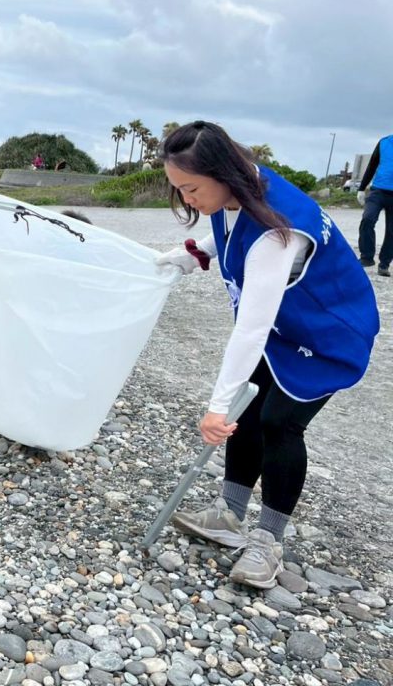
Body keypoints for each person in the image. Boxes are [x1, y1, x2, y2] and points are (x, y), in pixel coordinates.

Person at [155, 121, 379, 589]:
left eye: (191, 188)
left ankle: (267, 541)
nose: (187, 199)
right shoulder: (237, 187)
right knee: (249, 410)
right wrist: (193, 254)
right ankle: (230, 514)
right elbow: (228, 230)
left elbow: (251, 328)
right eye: (179, 188)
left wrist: (216, 407)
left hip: (331, 333)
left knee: (279, 421)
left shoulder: (278, 231)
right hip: (287, 325)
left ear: (222, 172)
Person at [355, 133, 393, 277]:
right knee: (367, 219)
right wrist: (361, 188)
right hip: (378, 191)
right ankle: (366, 257)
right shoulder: (384, 142)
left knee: (392, 231)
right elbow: (372, 165)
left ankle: (384, 264)